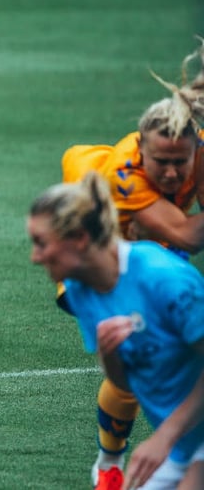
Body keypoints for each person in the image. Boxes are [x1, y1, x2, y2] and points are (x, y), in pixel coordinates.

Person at [57, 40, 204, 489]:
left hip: (154, 256)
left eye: (182, 162)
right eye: (162, 163)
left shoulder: (198, 150)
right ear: (142, 149)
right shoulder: (124, 174)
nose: (174, 174)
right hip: (106, 261)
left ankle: (181, 450)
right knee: (130, 369)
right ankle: (109, 462)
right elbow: (185, 235)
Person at [27, 171, 204, 490]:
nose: (34, 257)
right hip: (183, 447)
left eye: (41, 243)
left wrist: (163, 438)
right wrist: (110, 356)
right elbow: (125, 383)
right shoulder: (81, 290)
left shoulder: (165, 279)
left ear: (79, 239)